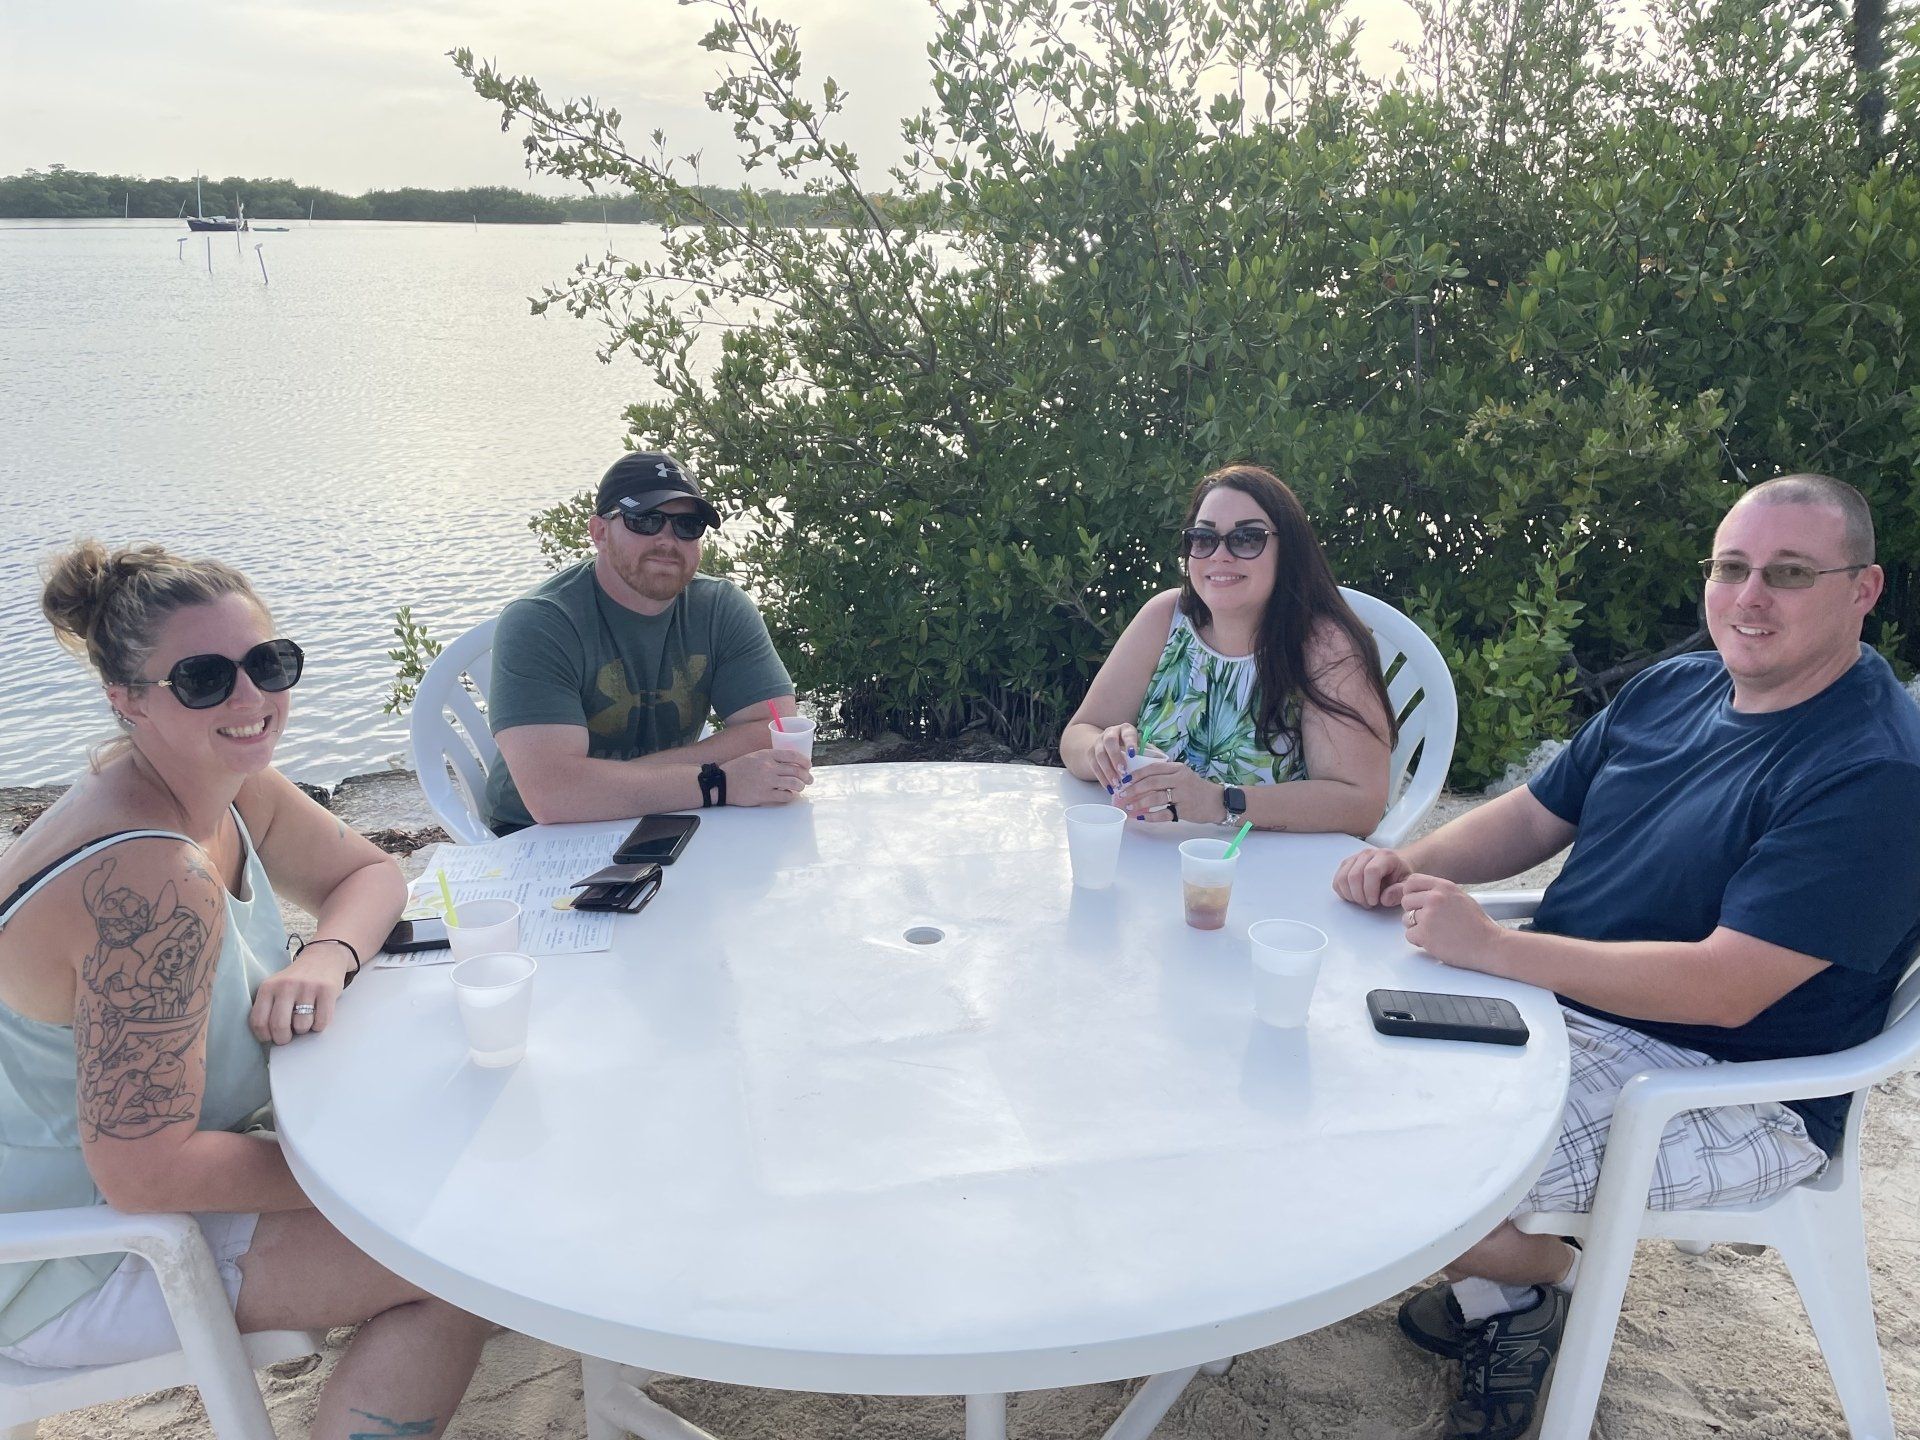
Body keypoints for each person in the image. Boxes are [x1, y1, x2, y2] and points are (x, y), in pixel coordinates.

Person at [1333, 474, 1920, 1440]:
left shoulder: (1875, 771)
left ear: (1863, 589)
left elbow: (1727, 990)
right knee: (1315, 1083)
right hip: (1562, 1010)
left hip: (1725, 1081)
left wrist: (1494, 950)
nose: (1749, 597)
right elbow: (1532, 816)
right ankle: (1511, 1293)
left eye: (1789, 573)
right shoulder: (1674, 688)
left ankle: (1547, 1276)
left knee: (1390, 1174)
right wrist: (1411, 863)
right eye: (1731, 568)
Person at [0, 542, 492, 1439]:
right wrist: (358, 1176)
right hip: (63, 1254)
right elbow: (143, 1172)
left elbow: (370, 874)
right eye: (203, 679)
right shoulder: (151, 878)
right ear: (126, 699)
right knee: (458, 1266)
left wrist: (324, 956)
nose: (250, 698)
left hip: (138, 1185)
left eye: (269, 663)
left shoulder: (223, 784)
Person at [484, 451, 810, 833]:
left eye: (687, 525)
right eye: (644, 520)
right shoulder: (540, 623)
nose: (667, 540)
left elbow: (772, 732)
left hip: (674, 811)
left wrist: (606, 783)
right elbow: (554, 795)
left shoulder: (720, 608)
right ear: (599, 532)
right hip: (537, 834)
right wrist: (717, 780)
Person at [1061, 464, 1395, 836]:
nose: (1220, 555)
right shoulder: (1165, 617)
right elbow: (1078, 733)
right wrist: (1103, 751)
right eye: (1203, 538)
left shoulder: (1325, 647)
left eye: (1247, 538)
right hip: (1153, 853)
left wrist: (1219, 802)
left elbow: (1359, 803)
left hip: (1274, 862)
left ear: (1289, 551)